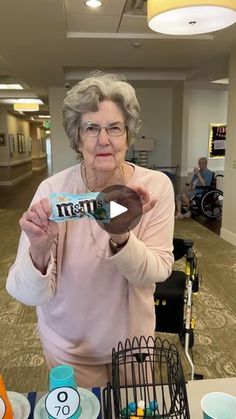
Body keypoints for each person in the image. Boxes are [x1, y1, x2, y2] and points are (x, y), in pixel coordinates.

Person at [6, 72, 175, 387]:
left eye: (115, 127)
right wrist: (39, 250)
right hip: (70, 348)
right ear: (77, 137)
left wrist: (121, 235)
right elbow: (24, 292)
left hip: (133, 347)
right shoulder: (52, 191)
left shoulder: (154, 188)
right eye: (92, 128)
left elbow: (156, 270)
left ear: (127, 134)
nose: (104, 139)